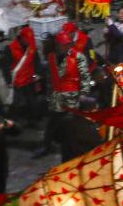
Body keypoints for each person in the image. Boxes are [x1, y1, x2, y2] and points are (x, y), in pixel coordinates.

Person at [55, 106, 104, 206]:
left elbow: (56, 137)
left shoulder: (65, 122)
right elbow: (98, 146)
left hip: (68, 172)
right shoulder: (89, 129)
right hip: (85, 175)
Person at [35, 30, 90, 158]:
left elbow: (85, 76)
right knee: (52, 123)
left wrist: (83, 93)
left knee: (72, 124)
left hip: (72, 97)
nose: (65, 47)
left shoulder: (78, 57)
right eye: (62, 45)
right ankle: (46, 146)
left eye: (67, 44)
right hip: (56, 97)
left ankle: (75, 148)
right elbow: (50, 77)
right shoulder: (52, 57)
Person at [6, 25, 44, 123]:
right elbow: (6, 67)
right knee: (20, 105)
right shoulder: (10, 49)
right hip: (17, 84)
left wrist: (37, 76)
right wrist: (9, 82)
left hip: (30, 81)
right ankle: (20, 123)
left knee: (33, 103)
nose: (29, 42)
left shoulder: (31, 47)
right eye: (27, 39)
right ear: (22, 38)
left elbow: (36, 62)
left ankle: (33, 121)